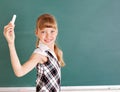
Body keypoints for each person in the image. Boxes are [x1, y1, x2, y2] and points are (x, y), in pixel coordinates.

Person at [3, 13, 65, 92]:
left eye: (52, 31)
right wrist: (11, 43)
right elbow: (19, 72)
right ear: (37, 33)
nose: (48, 35)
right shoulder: (40, 54)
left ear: (57, 32)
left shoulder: (56, 52)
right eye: (43, 32)